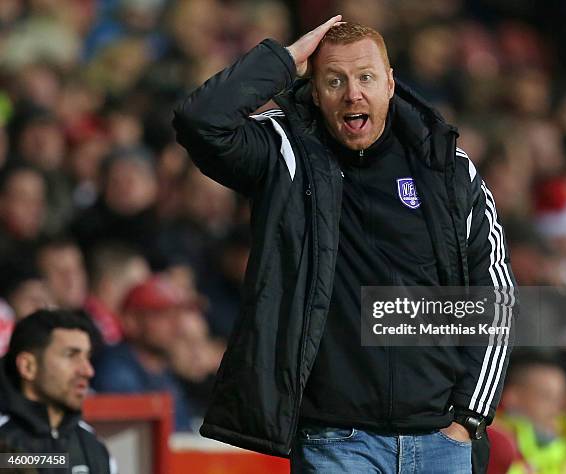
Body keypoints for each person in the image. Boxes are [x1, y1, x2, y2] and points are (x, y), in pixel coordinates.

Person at [173, 17, 515, 473]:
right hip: (336, 441)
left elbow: (493, 297)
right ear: (314, 92)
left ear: (391, 83)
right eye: (334, 80)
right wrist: (284, 59)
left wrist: (467, 421)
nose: (353, 94)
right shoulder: (285, 152)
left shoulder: (446, 168)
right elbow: (201, 121)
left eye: (366, 77)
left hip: (439, 440)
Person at [0, 309, 115, 473]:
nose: (88, 370)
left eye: (87, 357)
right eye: (71, 355)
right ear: (28, 366)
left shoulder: (93, 446)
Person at [92, 274, 195, 432]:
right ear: (131, 321)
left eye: (176, 315)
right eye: (162, 315)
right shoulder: (116, 372)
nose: (176, 325)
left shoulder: (163, 370)